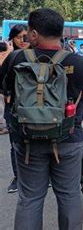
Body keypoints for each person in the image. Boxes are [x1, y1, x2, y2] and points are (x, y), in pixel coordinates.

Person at [0, 8, 83, 229]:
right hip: (68, 139)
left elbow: (5, 92)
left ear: (33, 34)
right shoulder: (80, 63)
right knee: (69, 194)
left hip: (27, 140)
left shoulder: (16, 58)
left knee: (30, 198)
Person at [5, 24, 31, 193]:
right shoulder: (10, 57)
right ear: (12, 39)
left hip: (35, 108)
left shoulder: (36, 55)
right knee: (16, 144)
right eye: (19, 37)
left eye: (26, 37)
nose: (23, 40)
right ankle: (18, 177)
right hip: (14, 108)